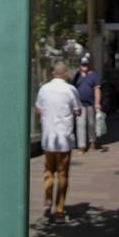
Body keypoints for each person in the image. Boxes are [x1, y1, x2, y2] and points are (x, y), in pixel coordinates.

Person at [35, 61, 84, 221]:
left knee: (48, 171)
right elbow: (78, 111)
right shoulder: (70, 89)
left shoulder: (44, 88)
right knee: (62, 174)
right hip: (63, 138)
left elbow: (38, 109)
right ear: (65, 74)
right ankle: (60, 211)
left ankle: (47, 201)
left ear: (53, 73)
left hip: (48, 137)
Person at [75, 59, 103, 153]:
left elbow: (97, 89)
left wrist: (97, 103)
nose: (84, 66)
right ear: (80, 65)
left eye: (86, 64)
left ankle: (92, 142)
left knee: (91, 123)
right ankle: (81, 146)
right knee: (80, 124)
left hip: (90, 104)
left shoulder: (93, 75)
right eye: (83, 64)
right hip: (80, 104)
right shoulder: (76, 76)